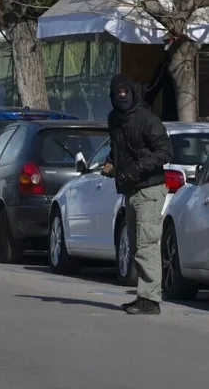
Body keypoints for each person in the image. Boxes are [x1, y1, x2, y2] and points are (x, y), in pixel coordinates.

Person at [103, 74, 172, 316]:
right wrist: (111, 164)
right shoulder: (114, 119)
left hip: (150, 189)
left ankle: (150, 300)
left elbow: (165, 151)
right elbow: (118, 149)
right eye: (117, 93)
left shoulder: (146, 118)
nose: (121, 96)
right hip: (130, 190)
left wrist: (136, 169)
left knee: (147, 245)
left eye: (125, 92)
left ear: (132, 92)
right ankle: (144, 296)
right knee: (135, 246)